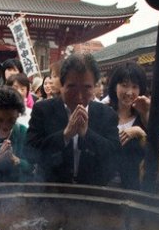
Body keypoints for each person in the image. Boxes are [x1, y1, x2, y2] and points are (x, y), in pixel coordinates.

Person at [26, 52, 119, 185]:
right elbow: (30, 152)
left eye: (86, 88)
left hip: (92, 193)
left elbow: (114, 158)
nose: (79, 96)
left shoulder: (106, 115)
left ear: (94, 87)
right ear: (61, 85)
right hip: (52, 191)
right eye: (72, 87)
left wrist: (87, 134)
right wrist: (65, 135)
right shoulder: (43, 110)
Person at [106, 62, 148, 190]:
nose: (129, 92)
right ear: (114, 87)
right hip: (103, 185)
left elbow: (154, 152)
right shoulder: (103, 113)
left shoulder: (144, 117)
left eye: (135, 87)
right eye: (124, 85)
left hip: (131, 189)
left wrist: (140, 133)